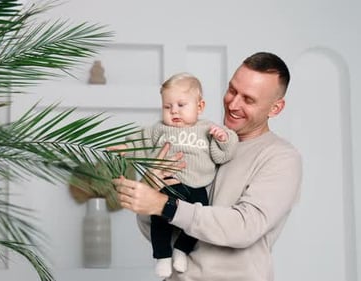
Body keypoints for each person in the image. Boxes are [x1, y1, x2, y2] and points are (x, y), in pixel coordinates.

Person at [112, 51, 302, 281]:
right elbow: (160, 231)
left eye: (248, 99)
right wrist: (149, 197)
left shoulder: (281, 157)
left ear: (275, 108)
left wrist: (165, 205)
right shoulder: (196, 139)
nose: (233, 103)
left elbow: (244, 226)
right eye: (232, 90)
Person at [109, 72, 238, 278]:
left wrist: (223, 138)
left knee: (198, 220)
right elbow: (141, 142)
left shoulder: (207, 128)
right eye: (167, 107)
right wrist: (124, 147)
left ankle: (181, 250)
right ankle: (162, 256)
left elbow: (223, 154)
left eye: (181, 105)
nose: (173, 111)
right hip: (169, 185)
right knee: (159, 220)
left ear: (200, 107)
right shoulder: (160, 129)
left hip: (196, 187)